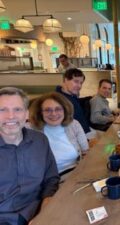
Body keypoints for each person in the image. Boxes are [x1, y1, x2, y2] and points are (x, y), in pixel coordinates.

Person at [0, 87, 59, 225]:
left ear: (26, 114)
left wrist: (45, 213)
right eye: (2, 110)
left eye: (17, 109)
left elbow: (51, 179)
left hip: (37, 212)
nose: (10, 116)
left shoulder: (40, 140)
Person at [29, 92, 89, 176]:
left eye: (58, 109)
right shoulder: (30, 130)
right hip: (49, 179)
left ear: (65, 110)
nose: (53, 114)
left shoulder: (74, 124)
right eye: (47, 110)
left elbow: (85, 151)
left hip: (76, 172)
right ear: (40, 112)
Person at [55, 68, 91, 134]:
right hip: (81, 136)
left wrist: (90, 97)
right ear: (65, 80)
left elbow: (76, 102)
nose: (79, 86)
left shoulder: (70, 95)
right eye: (76, 81)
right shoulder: (59, 100)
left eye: (81, 83)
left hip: (85, 130)